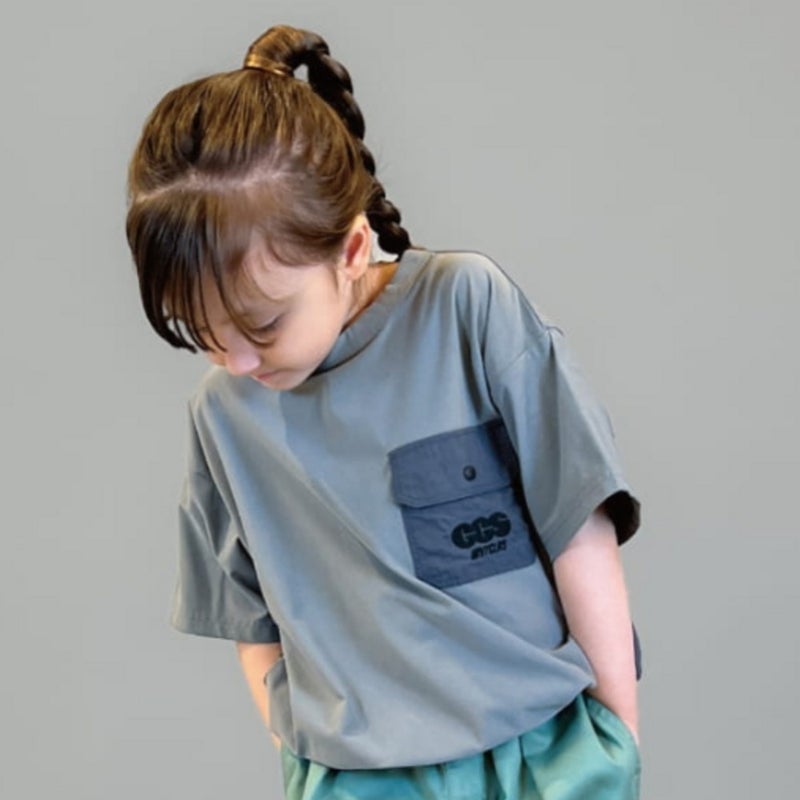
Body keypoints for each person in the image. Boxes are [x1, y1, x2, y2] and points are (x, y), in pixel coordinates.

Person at [126, 23, 642, 800]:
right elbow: (248, 618)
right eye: (201, 332)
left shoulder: (465, 309)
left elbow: (579, 524)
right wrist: (304, 751)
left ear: (352, 248)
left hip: (540, 754)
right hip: (357, 778)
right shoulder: (224, 414)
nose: (237, 362)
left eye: (262, 325)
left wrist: (617, 735)